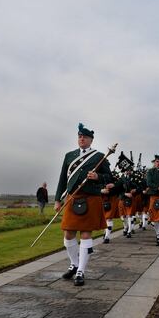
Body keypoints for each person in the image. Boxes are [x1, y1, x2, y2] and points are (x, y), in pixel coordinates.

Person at [54, 123, 112, 286]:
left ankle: (81, 271)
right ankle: (74, 264)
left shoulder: (99, 156)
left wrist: (97, 177)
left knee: (86, 234)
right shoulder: (69, 156)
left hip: (91, 198)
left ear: (91, 140)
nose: (81, 139)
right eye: (79, 137)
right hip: (72, 197)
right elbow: (62, 180)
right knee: (68, 234)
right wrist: (58, 199)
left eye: (85, 137)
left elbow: (110, 177)